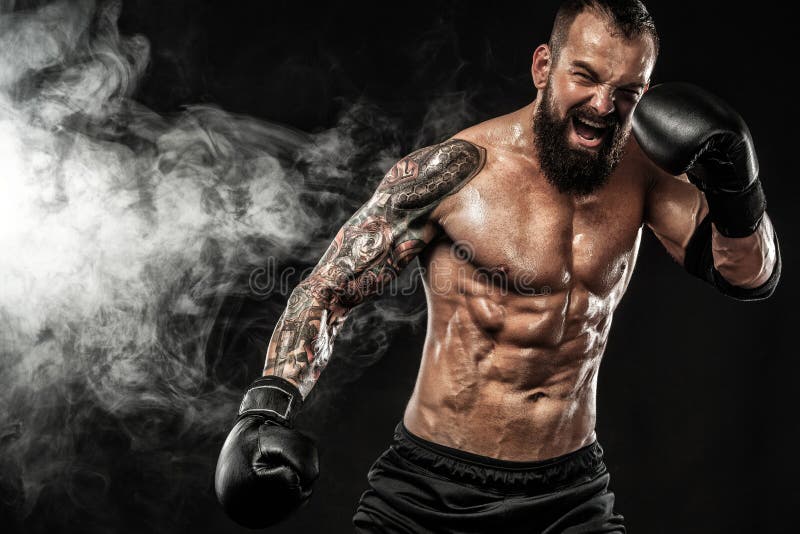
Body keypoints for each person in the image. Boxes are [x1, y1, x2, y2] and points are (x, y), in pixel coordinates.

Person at [214, 0, 781, 532]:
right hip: (429, 489)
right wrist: (265, 407)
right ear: (543, 66)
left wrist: (740, 189)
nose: (604, 107)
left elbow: (748, 274)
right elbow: (326, 291)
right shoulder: (456, 171)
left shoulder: (646, 175)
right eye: (584, 77)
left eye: (627, 91)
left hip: (569, 492)